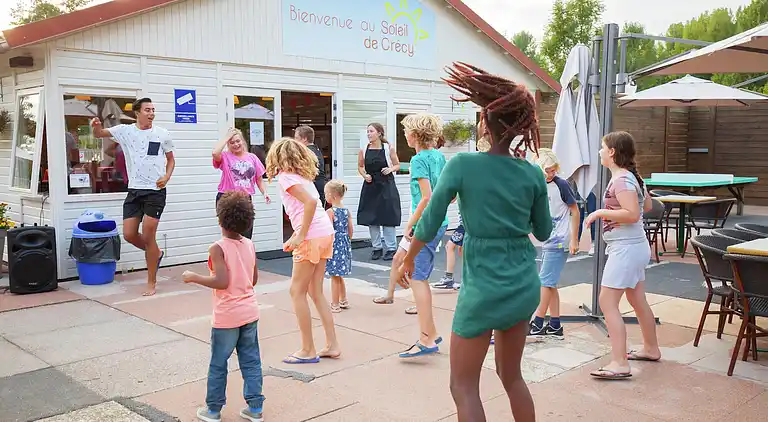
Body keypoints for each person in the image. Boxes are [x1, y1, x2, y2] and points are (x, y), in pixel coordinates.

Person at [397, 62, 552, 421]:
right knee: (512, 376)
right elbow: (543, 231)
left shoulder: (463, 165)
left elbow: (431, 219)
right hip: (523, 283)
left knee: (463, 385)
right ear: (520, 126)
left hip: (483, 286)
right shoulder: (532, 172)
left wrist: (408, 257)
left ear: (485, 122)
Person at [181, 191, 265, 422]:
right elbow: (253, 279)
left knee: (219, 363)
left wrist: (194, 277)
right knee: (251, 361)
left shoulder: (217, 248)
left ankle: (213, 410)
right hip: (250, 311)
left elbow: (221, 281)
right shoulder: (249, 244)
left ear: (220, 219)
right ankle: (255, 408)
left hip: (227, 315)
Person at [584, 131, 661, 380]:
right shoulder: (630, 177)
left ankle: (619, 363)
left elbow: (633, 214)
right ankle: (650, 349)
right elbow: (646, 206)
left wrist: (600, 213)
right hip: (633, 246)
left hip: (626, 249)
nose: (599, 151)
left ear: (612, 152)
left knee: (607, 302)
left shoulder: (622, 180)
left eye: (602, 147)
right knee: (637, 300)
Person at [266, 138, 341, 363]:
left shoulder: (286, 177)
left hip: (311, 236)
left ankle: (308, 349)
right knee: (315, 291)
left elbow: (309, 204)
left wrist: (300, 235)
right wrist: (296, 235)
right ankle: (332, 344)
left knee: (296, 291)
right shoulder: (303, 177)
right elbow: (308, 207)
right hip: (324, 233)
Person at [91, 97, 175, 296]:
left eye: (153, 110)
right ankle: (155, 253)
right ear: (137, 112)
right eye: (147, 110)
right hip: (134, 190)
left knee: (148, 236)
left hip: (155, 191)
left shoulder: (162, 134)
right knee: (129, 234)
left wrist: (166, 177)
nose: (151, 113)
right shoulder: (125, 131)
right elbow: (99, 134)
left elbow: (171, 160)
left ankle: (151, 282)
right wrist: (96, 126)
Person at [380, 113, 448, 358]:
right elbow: (448, 194)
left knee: (418, 279)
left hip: (425, 224)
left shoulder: (419, 160)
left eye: (407, 131)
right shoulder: (439, 157)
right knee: (419, 277)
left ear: (415, 134)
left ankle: (426, 338)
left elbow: (427, 196)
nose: (405, 135)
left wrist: (411, 223)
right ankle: (431, 333)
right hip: (439, 222)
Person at [529, 148, 580, 339]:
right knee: (550, 283)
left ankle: (537, 322)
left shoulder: (561, 184)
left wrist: (574, 239)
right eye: (547, 170)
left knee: (544, 282)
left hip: (559, 239)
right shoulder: (538, 185)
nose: (551, 174)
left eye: (553, 170)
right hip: (548, 238)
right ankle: (555, 325)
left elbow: (575, 210)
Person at [212, 128, 271, 239]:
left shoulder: (252, 157)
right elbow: (215, 153)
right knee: (230, 235)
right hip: (227, 198)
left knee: (246, 234)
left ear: (242, 141)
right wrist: (226, 137)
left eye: (238, 141)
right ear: (228, 144)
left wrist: (265, 193)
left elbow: (259, 179)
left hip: (244, 199)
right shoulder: (225, 156)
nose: (236, 144)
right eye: (232, 142)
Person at [357, 123, 402, 261]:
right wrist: (364, 175)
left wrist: (390, 169)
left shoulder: (388, 148)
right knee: (372, 218)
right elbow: (360, 166)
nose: (368, 134)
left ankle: (391, 248)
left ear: (379, 133)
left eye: (371, 131)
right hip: (371, 186)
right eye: (367, 131)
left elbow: (397, 165)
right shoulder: (364, 149)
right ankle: (377, 248)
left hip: (387, 185)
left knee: (388, 217)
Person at [324, 180, 353, 313]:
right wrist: (347, 241)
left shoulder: (330, 212)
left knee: (334, 276)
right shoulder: (346, 211)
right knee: (339, 275)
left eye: (326, 194)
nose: (325, 196)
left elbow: (328, 231)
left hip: (334, 245)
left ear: (332, 196)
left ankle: (335, 303)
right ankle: (343, 300)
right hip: (344, 244)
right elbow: (350, 230)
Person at [294, 125, 327, 207]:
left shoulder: (307, 152)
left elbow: (303, 171)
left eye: (296, 138)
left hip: (312, 189)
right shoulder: (316, 150)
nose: (295, 141)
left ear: (304, 139)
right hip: (319, 186)